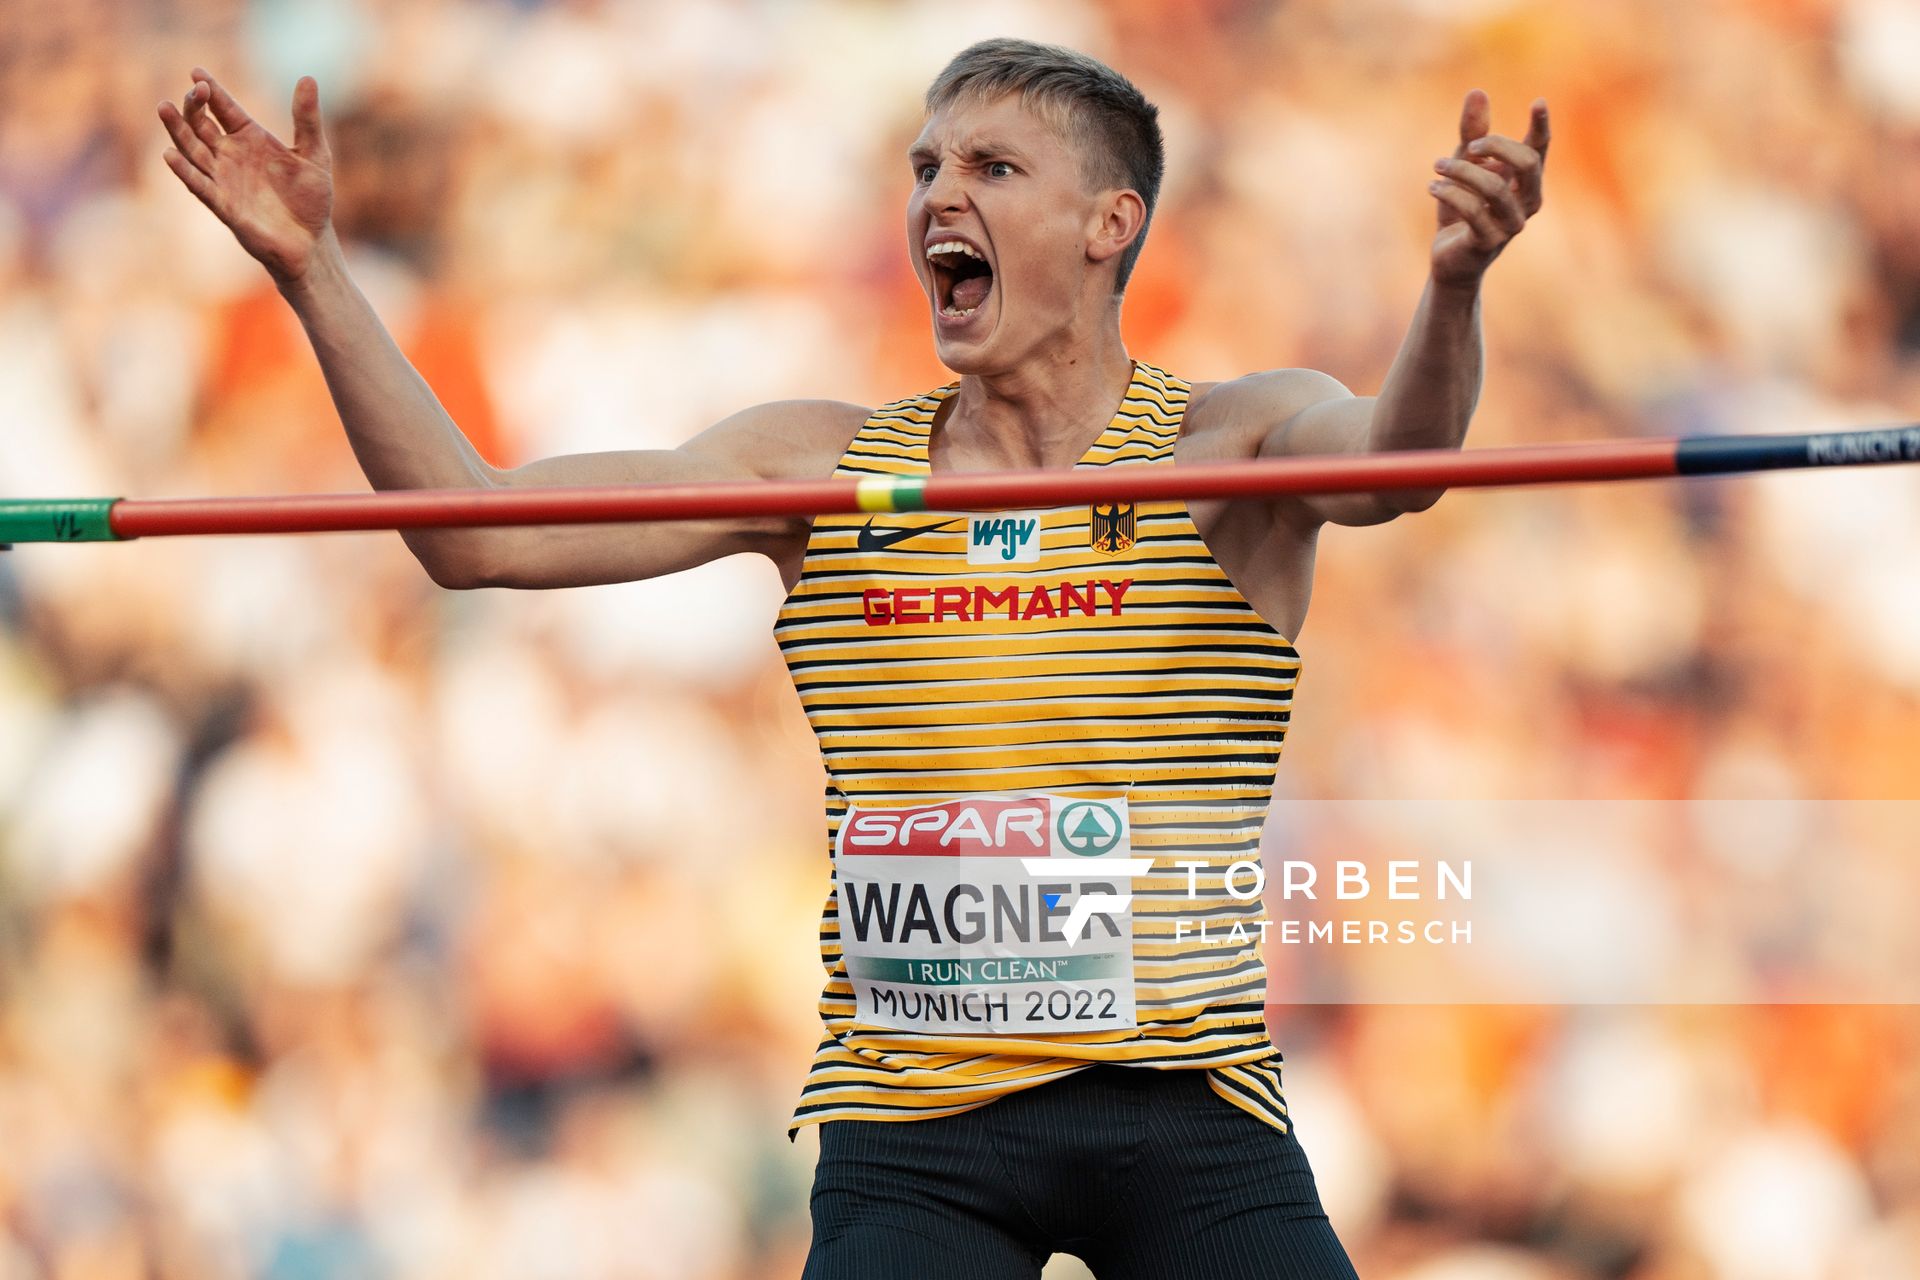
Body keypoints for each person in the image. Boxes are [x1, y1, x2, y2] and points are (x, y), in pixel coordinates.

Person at [157, 36, 1547, 1279]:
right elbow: (474, 535)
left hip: (1186, 1113)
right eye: (925, 167)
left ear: (1110, 223)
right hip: (918, 1136)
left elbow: (1404, 459)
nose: (939, 196)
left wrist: (1455, 284)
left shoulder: (1230, 444)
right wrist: (311, 270)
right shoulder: (819, 466)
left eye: (992, 167)